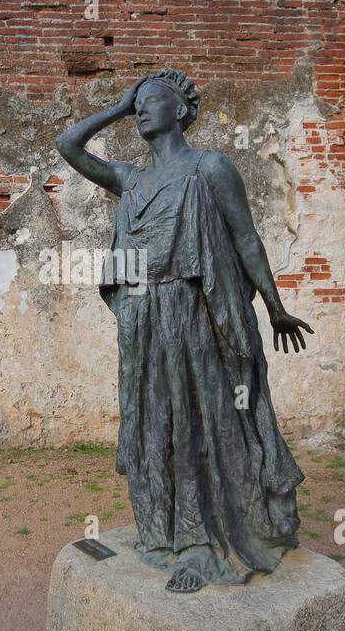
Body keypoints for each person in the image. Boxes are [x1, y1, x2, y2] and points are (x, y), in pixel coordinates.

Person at [55, 67, 313, 592]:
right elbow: (68, 145)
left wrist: (275, 306)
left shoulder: (210, 168)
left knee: (204, 423)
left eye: (153, 100)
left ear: (181, 110)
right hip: (144, 321)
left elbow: (246, 241)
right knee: (153, 423)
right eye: (139, 103)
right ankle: (163, 529)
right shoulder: (132, 178)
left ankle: (202, 541)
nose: (143, 109)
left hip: (197, 314)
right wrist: (119, 105)